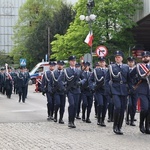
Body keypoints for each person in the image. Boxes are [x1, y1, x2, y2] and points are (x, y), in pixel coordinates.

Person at [105, 51, 132, 135]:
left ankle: (119, 127)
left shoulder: (126, 67)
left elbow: (129, 80)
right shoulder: (111, 67)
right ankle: (115, 126)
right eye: (116, 57)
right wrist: (108, 91)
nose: (117, 58)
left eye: (119, 57)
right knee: (118, 107)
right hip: (115, 89)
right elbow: (106, 80)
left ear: (122, 58)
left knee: (123, 109)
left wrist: (131, 89)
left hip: (124, 90)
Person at [59, 56, 85, 128]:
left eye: (74, 61)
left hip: (77, 90)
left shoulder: (78, 71)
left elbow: (84, 78)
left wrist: (80, 82)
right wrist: (63, 88)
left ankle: (72, 121)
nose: (73, 62)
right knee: (72, 104)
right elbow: (60, 80)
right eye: (72, 61)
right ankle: (70, 121)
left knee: (76, 106)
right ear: (69, 62)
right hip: (70, 90)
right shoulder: (66, 71)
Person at [130, 51, 150, 134]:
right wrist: (135, 82)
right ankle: (141, 123)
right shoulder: (139, 66)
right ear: (141, 58)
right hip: (142, 89)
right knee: (145, 108)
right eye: (144, 57)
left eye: (147, 56)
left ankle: (147, 126)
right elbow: (131, 75)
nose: (145, 58)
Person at [89, 57, 108, 127]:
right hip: (98, 90)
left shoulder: (108, 71)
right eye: (101, 62)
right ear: (99, 63)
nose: (102, 63)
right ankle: (99, 118)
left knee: (105, 106)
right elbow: (90, 80)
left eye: (103, 62)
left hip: (106, 91)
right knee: (101, 104)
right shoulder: (95, 71)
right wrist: (92, 87)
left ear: (105, 63)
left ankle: (102, 120)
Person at [126, 57, 138, 126]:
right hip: (127, 89)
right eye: (129, 61)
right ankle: (127, 118)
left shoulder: (137, 70)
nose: (130, 63)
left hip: (135, 89)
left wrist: (136, 86)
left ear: (134, 62)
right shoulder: (125, 69)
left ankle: (132, 119)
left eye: (132, 61)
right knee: (129, 104)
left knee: (134, 105)